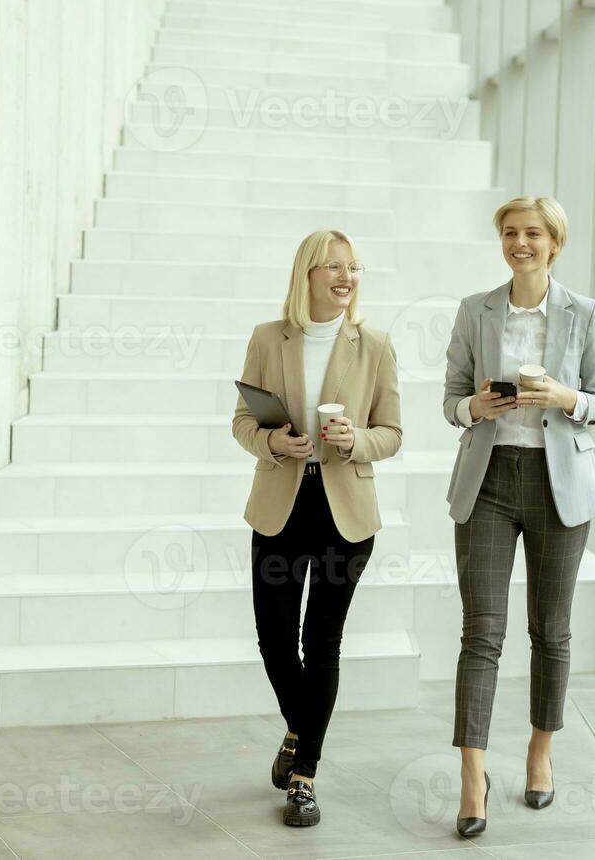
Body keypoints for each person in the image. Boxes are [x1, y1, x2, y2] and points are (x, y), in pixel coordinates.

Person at [441, 195, 595, 838]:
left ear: (554, 244)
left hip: (558, 484)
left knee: (552, 630)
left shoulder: (586, 314)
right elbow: (450, 401)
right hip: (487, 480)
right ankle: (471, 775)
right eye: (511, 233)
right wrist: (476, 409)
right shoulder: (474, 311)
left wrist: (564, 396)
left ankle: (540, 754)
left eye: (533, 234)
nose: (521, 243)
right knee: (481, 632)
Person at [231, 229, 403, 828]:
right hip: (281, 503)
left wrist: (357, 440)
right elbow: (242, 421)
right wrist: (271, 439)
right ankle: (301, 730)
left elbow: (393, 433)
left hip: (343, 514)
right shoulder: (267, 339)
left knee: (321, 641)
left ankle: (304, 775)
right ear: (306, 274)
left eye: (352, 267)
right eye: (332, 266)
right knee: (275, 640)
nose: (344, 277)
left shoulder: (374, 346)